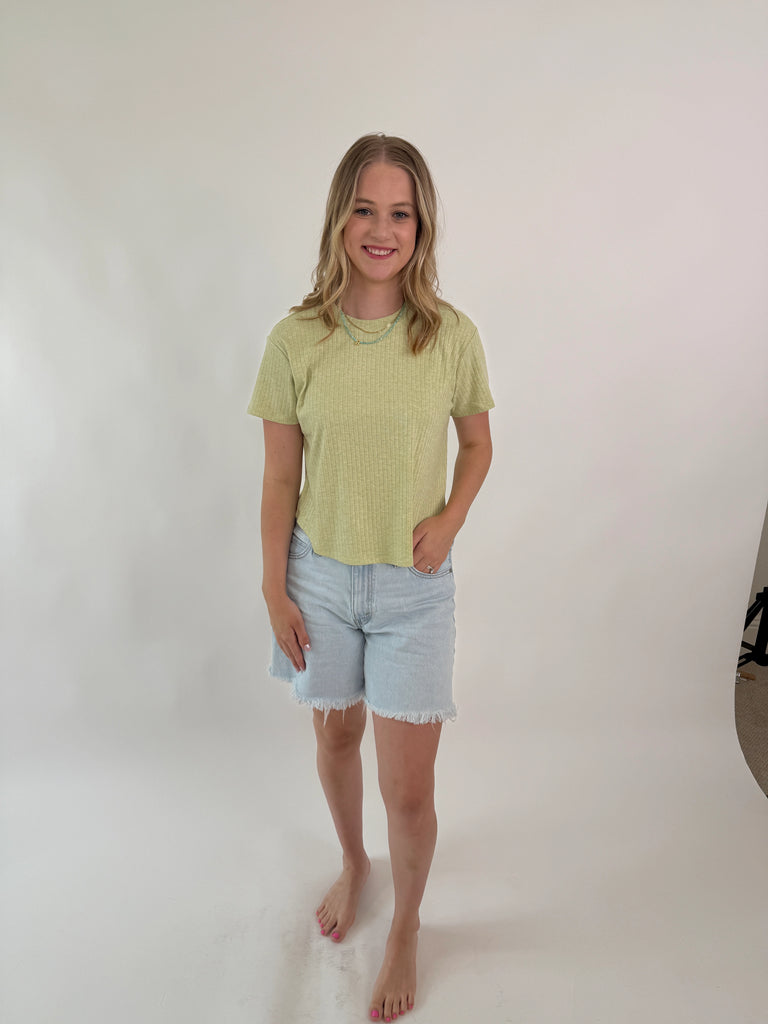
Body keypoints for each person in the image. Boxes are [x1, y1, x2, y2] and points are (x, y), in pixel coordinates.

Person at [247, 133, 494, 1022]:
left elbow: (477, 445)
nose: (381, 229)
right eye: (364, 208)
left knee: (411, 788)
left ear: (420, 224)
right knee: (335, 741)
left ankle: (407, 927)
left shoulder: (449, 335)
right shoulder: (296, 339)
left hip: (413, 591)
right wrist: (275, 589)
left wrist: (450, 518)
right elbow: (280, 476)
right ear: (339, 217)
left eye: (400, 212)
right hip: (318, 582)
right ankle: (355, 861)